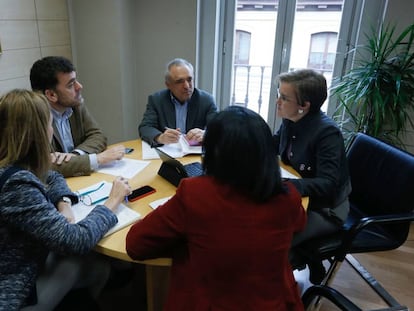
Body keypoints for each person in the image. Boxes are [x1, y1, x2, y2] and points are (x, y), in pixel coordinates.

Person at [127, 106, 306, 310]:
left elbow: (135, 244)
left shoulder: (196, 194)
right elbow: (298, 223)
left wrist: (188, 239)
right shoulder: (288, 195)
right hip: (272, 302)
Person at [0, 89, 132, 310]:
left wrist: (64, 202)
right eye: (49, 124)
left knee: (97, 267)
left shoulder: (14, 164)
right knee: (88, 263)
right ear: (37, 133)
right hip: (12, 289)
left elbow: (52, 175)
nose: (51, 131)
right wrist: (113, 201)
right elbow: (75, 240)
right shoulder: (15, 184)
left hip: (23, 261)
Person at [273, 69, 351, 283]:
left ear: (304, 105)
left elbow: (328, 185)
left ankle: (282, 278)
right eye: (278, 94)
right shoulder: (292, 119)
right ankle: (308, 261)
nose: (278, 101)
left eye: (284, 98)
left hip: (326, 209)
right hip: (301, 199)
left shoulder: (327, 134)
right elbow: (273, 144)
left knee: (271, 238)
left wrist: (287, 185)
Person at [30, 56, 126, 178]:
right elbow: (44, 166)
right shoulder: (32, 117)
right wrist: (98, 159)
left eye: (76, 80)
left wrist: (75, 155)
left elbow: (98, 136)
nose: (79, 86)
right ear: (51, 94)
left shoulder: (76, 105)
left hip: (78, 179)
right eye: (70, 85)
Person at [138, 58, 217, 146]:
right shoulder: (157, 100)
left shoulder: (206, 100)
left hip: (194, 154)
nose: (187, 86)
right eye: (180, 82)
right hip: (167, 153)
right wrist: (160, 137)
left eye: (189, 79)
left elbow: (219, 129)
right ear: (168, 85)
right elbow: (145, 127)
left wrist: (205, 134)